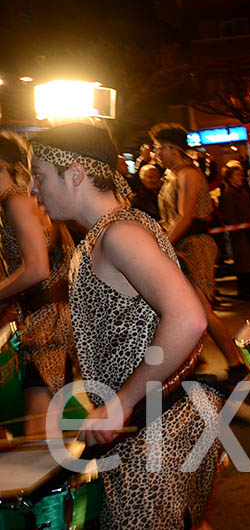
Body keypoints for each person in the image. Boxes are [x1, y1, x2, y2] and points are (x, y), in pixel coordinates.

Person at [29, 123, 223, 528]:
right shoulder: (107, 231)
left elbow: (188, 318)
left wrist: (121, 402)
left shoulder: (120, 233)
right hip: (165, 419)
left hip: (157, 428)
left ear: (76, 174)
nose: (33, 189)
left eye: (39, 176)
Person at [149, 123, 244, 378]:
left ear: (173, 149)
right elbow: (171, 218)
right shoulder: (173, 174)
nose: (154, 154)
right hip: (179, 245)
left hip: (195, 246)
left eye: (158, 149)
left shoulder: (188, 174)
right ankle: (192, 362)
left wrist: (161, 246)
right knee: (181, 308)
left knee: (202, 309)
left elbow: (185, 217)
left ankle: (236, 364)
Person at [0, 132, 74, 436]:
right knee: (42, 425)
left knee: (39, 430)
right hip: (44, 321)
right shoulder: (16, 199)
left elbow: (37, 269)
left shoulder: (15, 200)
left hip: (48, 324)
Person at [217, 162, 250, 300]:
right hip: (241, 235)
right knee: (245, 265)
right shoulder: (228, 194)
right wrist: (238, 228)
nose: (241, 178)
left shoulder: (243, 191)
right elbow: (229, 216)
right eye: (237, 175)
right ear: (230, 177)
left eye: (241, 175)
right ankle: (244, 290)